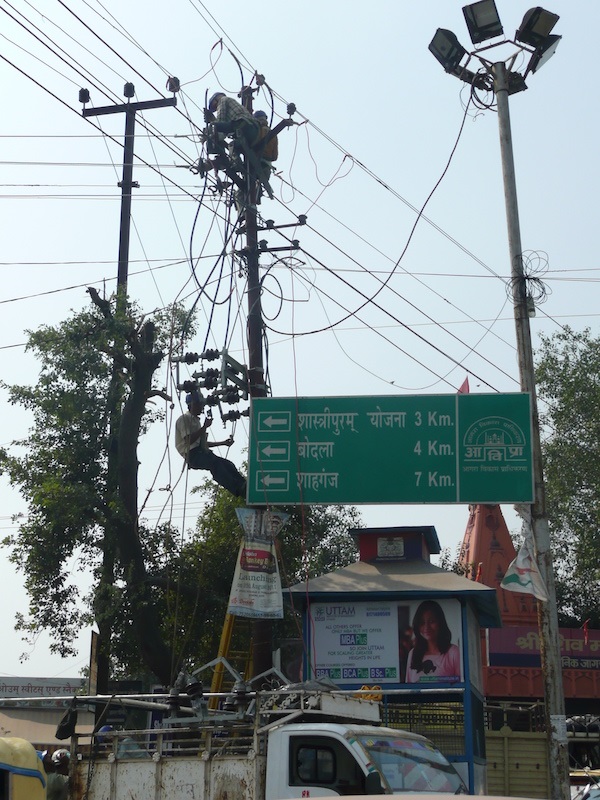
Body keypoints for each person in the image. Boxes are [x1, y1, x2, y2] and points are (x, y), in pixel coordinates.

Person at [175, 390, 246, 499]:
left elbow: (202, 443)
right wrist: (204, 427)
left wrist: (223, 443)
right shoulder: (184, 419)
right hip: (192, 455)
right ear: (192, 405)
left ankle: (244, 486)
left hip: (200, 452)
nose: (202, 408)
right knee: (215, 464)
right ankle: (237, 488)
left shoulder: (195, 420)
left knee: (227, 464)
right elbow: (189, 440)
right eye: (200, 405)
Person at [405, 600, 460, 683]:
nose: (426, 627)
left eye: (431, 621)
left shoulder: (453, 652)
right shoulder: (413, 654)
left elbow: (461, 688)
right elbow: (407, 690)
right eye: (422, 622)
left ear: (440, 623)